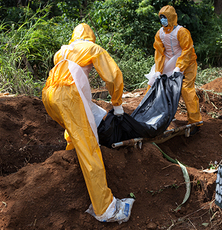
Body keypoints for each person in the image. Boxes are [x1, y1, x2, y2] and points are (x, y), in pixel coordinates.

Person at [42, 23, 134, 223]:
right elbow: (113, 76)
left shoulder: (62, 51)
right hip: (68, 97)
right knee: (90, 148)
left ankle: (70, 153)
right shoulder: (91, 48)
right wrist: (117, 104)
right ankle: (105, 209)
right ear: (90, 37)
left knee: (74, 131)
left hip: (49, 96)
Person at [146, 5, 203, 134]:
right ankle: (148, 115)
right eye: (161, 18)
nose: (163, 20)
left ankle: (195, 122)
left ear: (171, 17)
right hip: (169, 63)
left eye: (165, 17)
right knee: (153, 84)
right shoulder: (160, 33)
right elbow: (159, 53)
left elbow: (187, 50)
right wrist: (158, 70)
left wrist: (179, 67)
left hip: (187, 64)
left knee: (186, 89)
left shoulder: (182, 32)